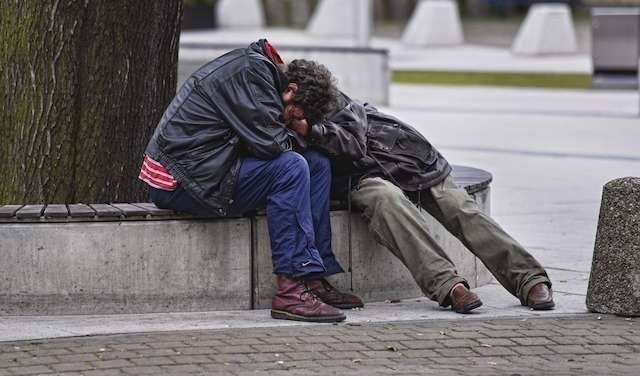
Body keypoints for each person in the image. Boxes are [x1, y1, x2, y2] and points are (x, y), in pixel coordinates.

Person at [139, 40, 362, 323]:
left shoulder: (262, 76)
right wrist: (299, 132)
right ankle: (290, 291)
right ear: (290, 91)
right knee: (291, 167)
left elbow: (274, 139)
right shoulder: (250, 76)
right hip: (181, 180)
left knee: (317, 163)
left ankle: (313, 276)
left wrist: (305, 130)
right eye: (295, 116)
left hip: (210, 167)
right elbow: (272, 144)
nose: (293, 122)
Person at [294, 91, 554, 314]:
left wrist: (312, 129)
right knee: (388, 201)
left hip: (403, 159)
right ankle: (449, 286)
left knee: (456, 204)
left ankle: (528, 277)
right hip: (358, 177)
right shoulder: (276, 114)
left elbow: (353, 141)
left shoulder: (331, 98)